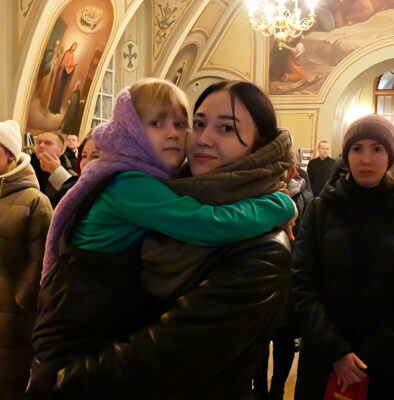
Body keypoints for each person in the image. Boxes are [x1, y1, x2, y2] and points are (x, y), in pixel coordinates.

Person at [27, 79, 296, 399]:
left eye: (226, 128)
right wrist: (280, 205)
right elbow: (205, 222)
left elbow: (169, 358)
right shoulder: (141, 186)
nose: (201, 138)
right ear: (132, 131)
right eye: (199, 124)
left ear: (259, 145)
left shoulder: (264, 251)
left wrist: (62, 384)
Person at [293, 114, 394, 399]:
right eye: (357, 148)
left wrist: (367, 357)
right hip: (323, 360)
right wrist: (336, 351)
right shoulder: (319, 210)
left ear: (390, 155)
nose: (366, 159)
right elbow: (301, 285)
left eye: (377, 148)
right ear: (346, 155)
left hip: (387, 365)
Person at [0, 120, 52, 399]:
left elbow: (40, 261)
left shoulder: (34, 201)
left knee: (9, 382)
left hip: (12, 319)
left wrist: (18, 302)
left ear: (10, 154)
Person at [252, 164, 313, 400]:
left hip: (291, 270)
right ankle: (259, 389)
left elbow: (306, 234)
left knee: (285, 338)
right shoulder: (255, 188)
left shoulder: (304, 187)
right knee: (258, 337)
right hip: (260, 270)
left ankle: (277, 390)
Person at [30, 131, 77, 207]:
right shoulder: (25, 168)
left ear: (61, 151)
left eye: (48, 143)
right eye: (39, 142)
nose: (41, 146)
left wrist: (57, 172)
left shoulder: (70, 176)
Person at [49, 42, 78, 114]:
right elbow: (64, 64)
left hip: (66, 75)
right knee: (58, 91)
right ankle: (53, 108)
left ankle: (57, 109)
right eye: (74, 45)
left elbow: (70, 64)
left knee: (61, 92)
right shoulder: (67, 53)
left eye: (75, 47)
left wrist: (73, 65)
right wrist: (72, 65)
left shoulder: (72, 54)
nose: (74, 47)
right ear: (71, 46)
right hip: (62, 74)